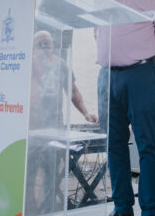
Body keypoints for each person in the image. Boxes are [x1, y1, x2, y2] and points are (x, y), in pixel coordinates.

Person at [97, 0, 155, 216]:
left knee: (146, 143)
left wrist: (145, 63)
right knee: (114, 144)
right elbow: (98, 35)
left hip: (141, 76)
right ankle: (121, 207)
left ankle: (150, 209)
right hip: (107, 77)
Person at [26, 30, 97, 213]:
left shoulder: (61, 65)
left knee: (52, 173)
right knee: (30, 174)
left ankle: (48, 209)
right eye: (39, 44)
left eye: (47, 43)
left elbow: (73, 92)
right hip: (31, 127)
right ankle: (30, 209)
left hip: (54, 125)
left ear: (53, 45)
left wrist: (86, 113)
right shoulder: (28, 64)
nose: (44, 47)